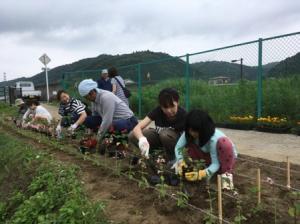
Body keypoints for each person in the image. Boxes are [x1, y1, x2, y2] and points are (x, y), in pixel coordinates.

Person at [173, 109, 238, 190]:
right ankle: (201, 169)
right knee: (189, 148)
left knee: (225, 144)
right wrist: (180, 161)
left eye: (195, 131)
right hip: (206, 155)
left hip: (224, 156)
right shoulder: (189, 133)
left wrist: (201, 174)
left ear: (204, 129)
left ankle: (226, 177)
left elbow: (215, 163)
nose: (192, 133)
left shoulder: (214, 138)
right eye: (190, 130)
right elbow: (178, 147)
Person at [129, 88, 186, 161]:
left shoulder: (183, 115)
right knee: (133, 135)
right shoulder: (157, 111)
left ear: (177, 102)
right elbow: (137, 128)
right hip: (160, 141)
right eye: (165, 107)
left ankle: (172, 159)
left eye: (172, 106)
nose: (169, 110)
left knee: (165, 134)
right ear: (161, 106)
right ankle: (150, 156)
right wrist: (142, 139)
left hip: (176, 144)